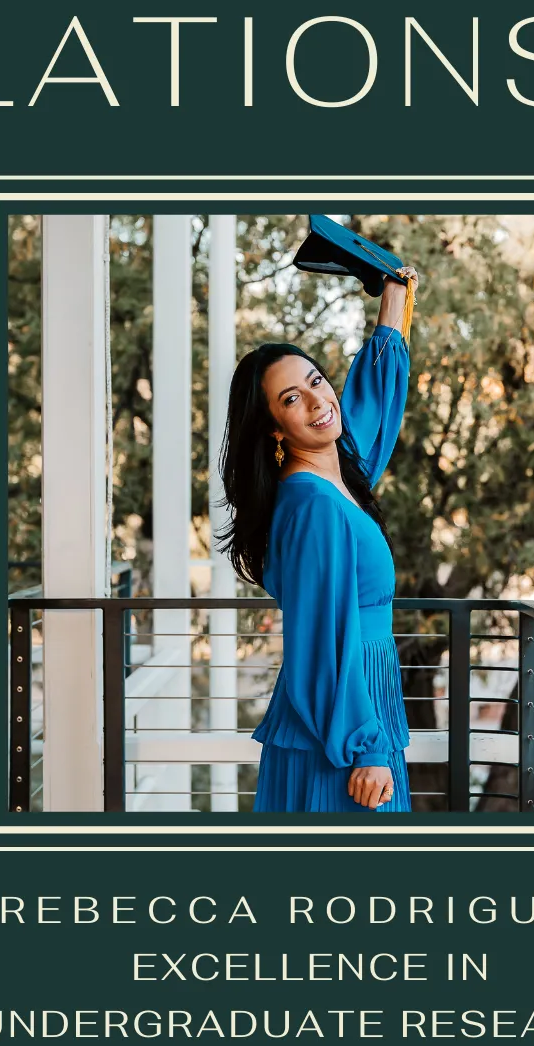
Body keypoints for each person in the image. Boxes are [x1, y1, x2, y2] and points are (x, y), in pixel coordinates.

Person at [215, 265, 418, 812]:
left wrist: (393, 299)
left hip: (361, 705)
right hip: (344, 735)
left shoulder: (339, 476)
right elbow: (322, 638)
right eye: (290, 400)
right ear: (275, 430)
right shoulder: (314, 507)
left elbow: (367, 416)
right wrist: (365, 746)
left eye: (315, 380)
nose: (316, 401)